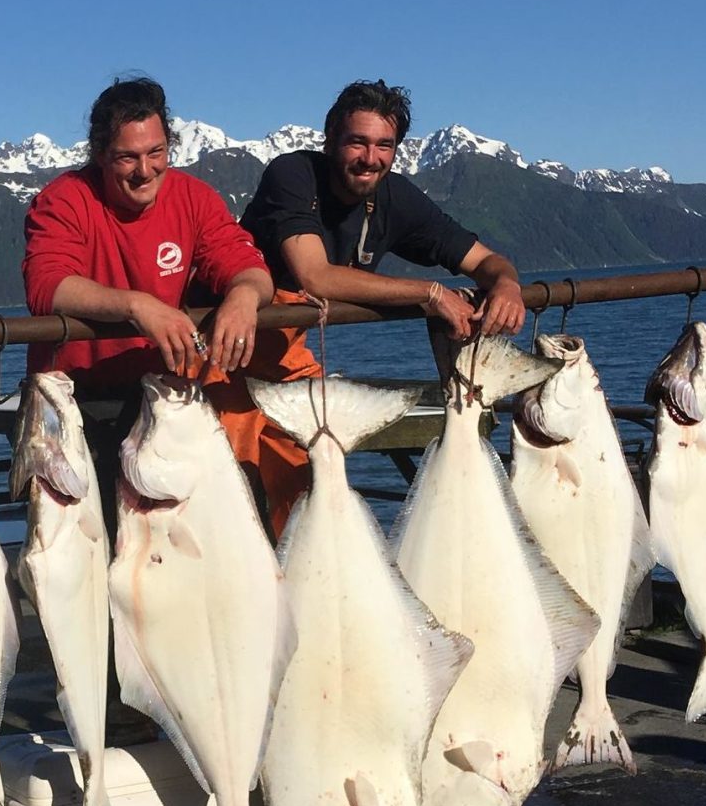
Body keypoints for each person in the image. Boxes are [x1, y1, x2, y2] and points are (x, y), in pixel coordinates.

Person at [226, 77, 527, 533]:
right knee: (228, 491)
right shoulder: (293, 175)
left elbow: (484, 260)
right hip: (224, 352)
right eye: (358, 143)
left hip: (287, 359)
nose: (371, 158)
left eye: (384, 145)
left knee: (310, 493)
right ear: (330, 141)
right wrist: (429, 294)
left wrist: (506, 284)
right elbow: (316, 275)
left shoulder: (395, 199)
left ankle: (300, 593)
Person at [21, 76, 273, 528]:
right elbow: (47, 286)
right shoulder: (63, 199)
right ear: (100, 155)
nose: (145, 170)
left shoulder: (194, 198)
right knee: (93, 547)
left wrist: (244, 295)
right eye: (127, 157)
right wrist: (138, 306)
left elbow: (246, 265)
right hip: (78, 406)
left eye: (156, 153)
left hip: (164, 402)